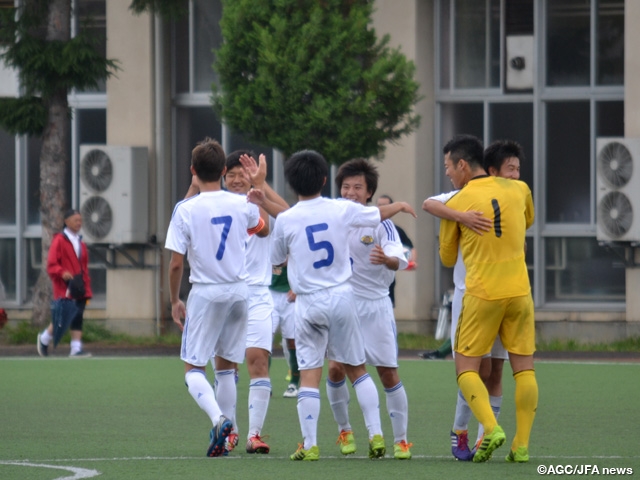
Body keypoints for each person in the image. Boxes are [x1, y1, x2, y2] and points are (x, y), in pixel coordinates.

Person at [245, 149, 416, 461]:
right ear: (326, 180)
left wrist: (263, 200)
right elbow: (377, 213)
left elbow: (277, 259)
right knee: (358, 370)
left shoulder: (287, 219)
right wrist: (401, 205)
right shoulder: (340, 210)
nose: (350, 193)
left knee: (310, 374)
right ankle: (375, 434)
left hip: (309, 303)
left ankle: (310, 445)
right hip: (342, 297)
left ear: (292, 183)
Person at [423, 139, 526, 460]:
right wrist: (462, 217)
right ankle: (460, 432)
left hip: (503, 292)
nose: (516, 174)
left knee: (494, 370)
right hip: (471, 295)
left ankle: (485, 436)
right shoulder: (460, 196)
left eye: (518, 170)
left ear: (463, 165)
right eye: (511, 168)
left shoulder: (512, 194)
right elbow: (429, 203)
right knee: (472, 369)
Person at [165, 137, 266, 457]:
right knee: (226, 366)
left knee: (194, 368)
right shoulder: (242, 203)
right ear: (223, 171)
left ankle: (219, 420)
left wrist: (174, 300)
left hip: (207, 292)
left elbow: (176, 262)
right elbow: (262, 229)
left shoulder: (185, 208)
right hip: (239, 292)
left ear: (193, 170)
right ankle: (229, 433)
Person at [327, 158, 413, 460]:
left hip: (376, 306)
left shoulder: (383, 223)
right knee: (336, 369)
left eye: (357, 187)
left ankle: (401, 440)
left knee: (388, 373)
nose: (350, 192)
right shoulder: (334, 218)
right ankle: (345, 430)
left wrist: (387, 260)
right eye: (346, 186)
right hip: (343, 304)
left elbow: (398, 257)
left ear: (368, 194)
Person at [37, 209, 92, 358]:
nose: (79, 223)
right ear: (67, 222)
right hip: (65, 286)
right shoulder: (59, 240)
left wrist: (85, 284)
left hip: (79, 286)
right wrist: (62, 272)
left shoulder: (80, 241)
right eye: (76, 220)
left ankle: (75, 349)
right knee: (63, 317)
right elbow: (52, 264)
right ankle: (44, 339)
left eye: (80, 220)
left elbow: (84, 266)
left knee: (78, 315)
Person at [376, 194, 416, 307]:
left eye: (385, 205)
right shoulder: (366, 223)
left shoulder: (395, 230)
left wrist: (411, 262)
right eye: (379, 205)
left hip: (386, 281)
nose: (382, 208)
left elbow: (410, 248)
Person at [270, 262, 300, 398]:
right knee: (265, 340)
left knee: (292, 341)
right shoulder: (262, 240)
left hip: (290, 294)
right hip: (269, 292)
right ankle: (264, 383)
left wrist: (298, 287)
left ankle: (294, 383)